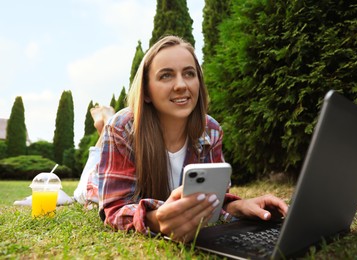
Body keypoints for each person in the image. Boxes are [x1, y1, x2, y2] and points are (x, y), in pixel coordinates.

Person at [98, 35, 288, 243]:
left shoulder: (212, 130)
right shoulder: (122, 128)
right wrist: (154, 220)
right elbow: (113, 209)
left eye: (189, 73)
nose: (181, 85)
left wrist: (237, 207)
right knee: (87, 190)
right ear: (146, 92)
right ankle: (102, 121)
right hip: (100, 174)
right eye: (166, 76)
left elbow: (211, 200)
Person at [73, 105, 114, 206]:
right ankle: (108, 127)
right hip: (101, 189)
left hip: (99, 192)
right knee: (83, 190)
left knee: (82, 192)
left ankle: (109, 126)